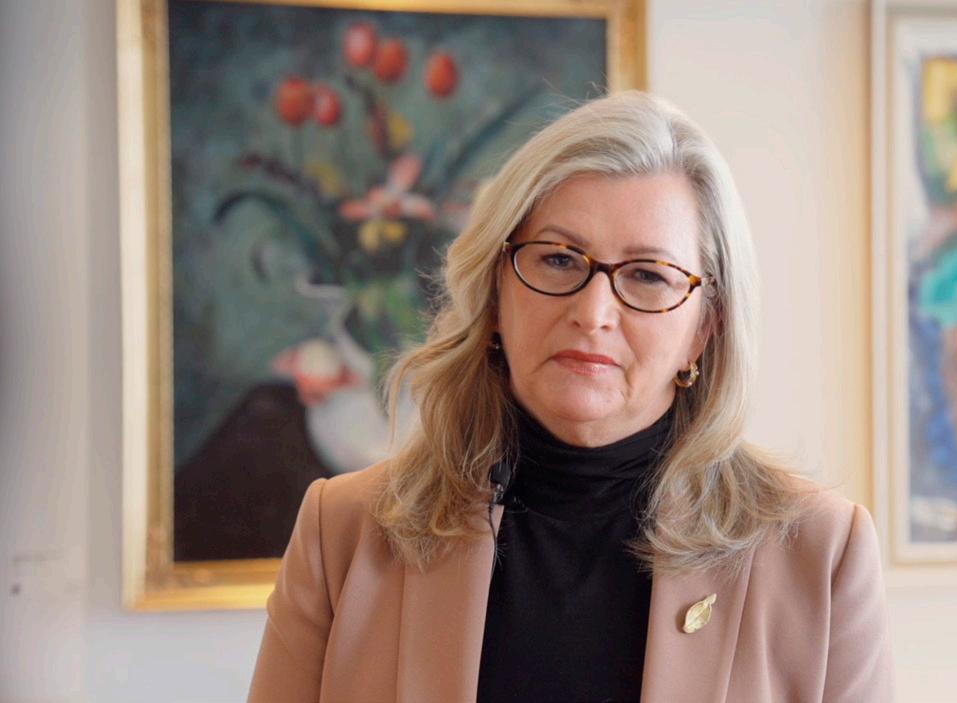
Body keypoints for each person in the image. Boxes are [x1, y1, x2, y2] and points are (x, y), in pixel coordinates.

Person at [248, 90, 892, 703]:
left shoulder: (821, 554)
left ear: (703, 329)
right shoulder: (344, 533)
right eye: (558, 259)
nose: (593, 312)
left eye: (648, 275)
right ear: (495, 292)